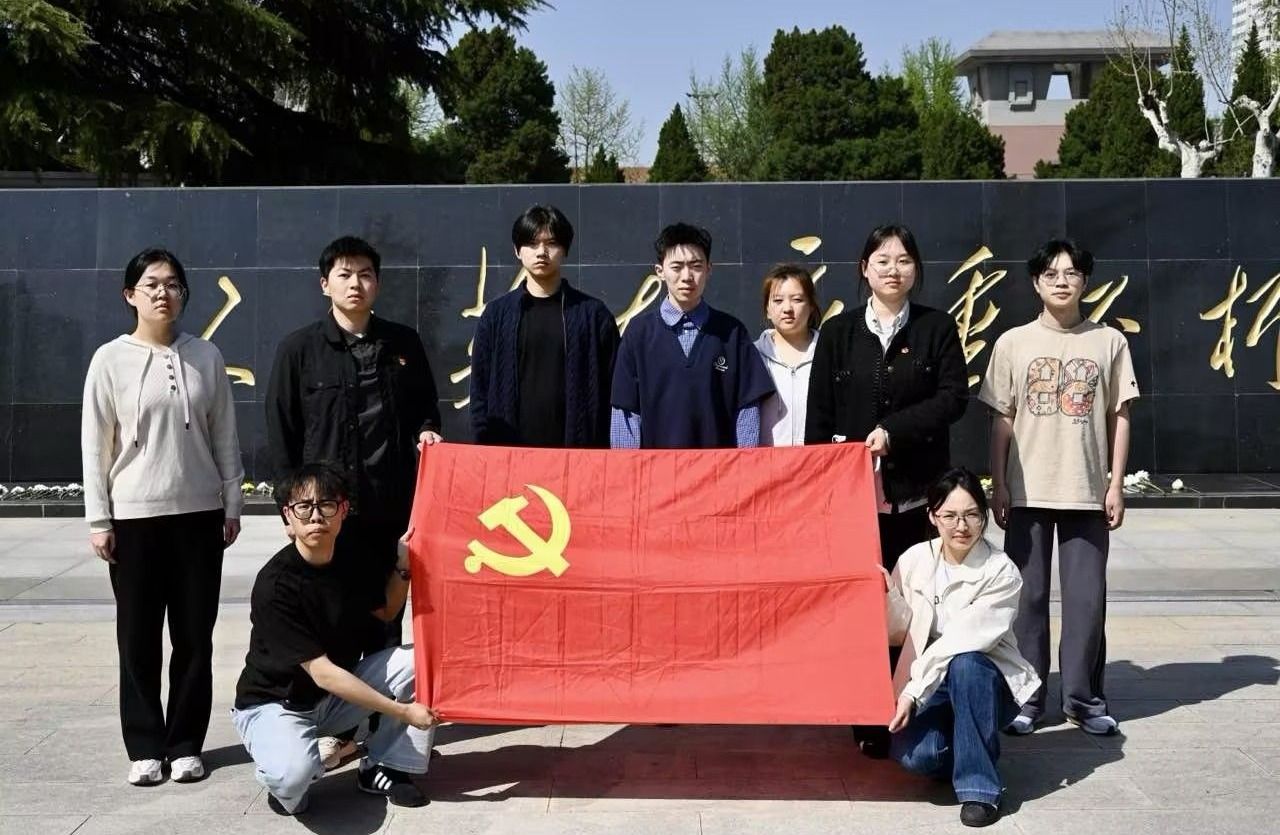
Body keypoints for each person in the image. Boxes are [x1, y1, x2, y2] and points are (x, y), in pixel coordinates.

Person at [265, 235, 443, 768]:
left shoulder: (402, 344)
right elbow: (282, 433)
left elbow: (427, 410)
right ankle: (336, 726)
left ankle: (385, 739)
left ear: (378, 283)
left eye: (365, 274)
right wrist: (293, 509)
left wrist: (428, 431)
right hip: (329, 517)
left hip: (390, 510)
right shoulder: (299, 350)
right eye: (344, 274)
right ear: (325, 284)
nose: (355, 284)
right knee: (333, 621)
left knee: (387, 620)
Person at [81, 248, 244, 786]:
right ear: (130, 295)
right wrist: (99, 519)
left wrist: (232, 502)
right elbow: (95, 446)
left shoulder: (205, 356)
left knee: (195, 637)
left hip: (199, 516)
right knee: (139, 638)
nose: (162, 293)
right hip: (134, 518)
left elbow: (225, 435)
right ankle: (146, 746)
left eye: (172, 284)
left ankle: (186, 744)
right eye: (151, 284)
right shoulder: (110, 360)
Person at [805, 224, 968, 756]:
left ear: (915, 269)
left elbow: (953, 399)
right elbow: (819, 417)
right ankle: (867, 713)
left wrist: (893, 431)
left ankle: (915, 705)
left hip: (916, 496)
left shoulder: (936, 328)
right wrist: (822, 485)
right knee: (862, 604)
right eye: (882, 260)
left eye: (903, 260)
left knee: (918, 604)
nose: (892, 269)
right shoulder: (838, 333)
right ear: (864, 268)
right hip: (854, 501)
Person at [980, 238, 1138, 737]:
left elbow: (1120, 415)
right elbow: (1002, 419)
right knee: (1026, 601)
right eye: (1051, 274)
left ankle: (1083, 701)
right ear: (1036, 283)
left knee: (1086, 601)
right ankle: (1027, 699)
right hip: (1027, 491)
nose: (1062, 281)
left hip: (1086, 492)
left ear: (1085, 281)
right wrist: (999, 483)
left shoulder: (1109, 342)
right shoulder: (1012, 342)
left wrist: (1116, 484)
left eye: (1071, 273)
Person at [232, 464, 438, 815]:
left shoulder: (352, 560)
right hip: (276, 705)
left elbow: (387, 610)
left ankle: (384, 766)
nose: (316, 516)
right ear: (288, 517)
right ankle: (293, 762)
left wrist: (404, 566)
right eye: (304, 507)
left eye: (326, 505)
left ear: (343, 511)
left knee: (421, 662)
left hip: (331, 700)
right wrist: (404, 712)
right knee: (293, 786)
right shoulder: (276, 585)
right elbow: (323, 672)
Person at [884, 468, 1040, 828]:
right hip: (931, 682)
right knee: (916, 757)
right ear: (932, 516)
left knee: (966, 662)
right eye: (950, 516)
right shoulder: (914, 560)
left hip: (985, 680)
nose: (961, 526)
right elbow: (898, 634)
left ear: (984, 516)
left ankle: (980, 790)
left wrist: (912, 693)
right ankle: (969, 742)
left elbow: (960, 640)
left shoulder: (1001, 570)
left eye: (972, 515)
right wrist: (886, 598)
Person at [611, 223, 774, 448]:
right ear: (660, 271)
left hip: (718, 467)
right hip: (656, 467)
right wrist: (630, 466)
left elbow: (747, 409)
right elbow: (626, 412)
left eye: (696, 266)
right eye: (677, 267)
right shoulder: (638, 334)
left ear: (709, 269)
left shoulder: (732, 333)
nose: (687, 276)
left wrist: (744, 462)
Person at [470, 204, 620, 447]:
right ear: (517, 250)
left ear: (565, 249)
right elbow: (479, 390)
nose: (541, 252)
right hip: (509, 452)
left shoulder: (593, 315)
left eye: (551, 243)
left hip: (577, 453)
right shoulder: (496, 315)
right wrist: (485, 445)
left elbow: (614, 389)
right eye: (532, 244)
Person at [754, 264, 820, 447]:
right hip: (767, 461)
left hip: (817, 460)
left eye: (797, 300)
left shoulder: (828, 354)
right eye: (778, 300)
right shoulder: (752, 357)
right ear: (767, 309)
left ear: (811, 306)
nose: (787, 308)